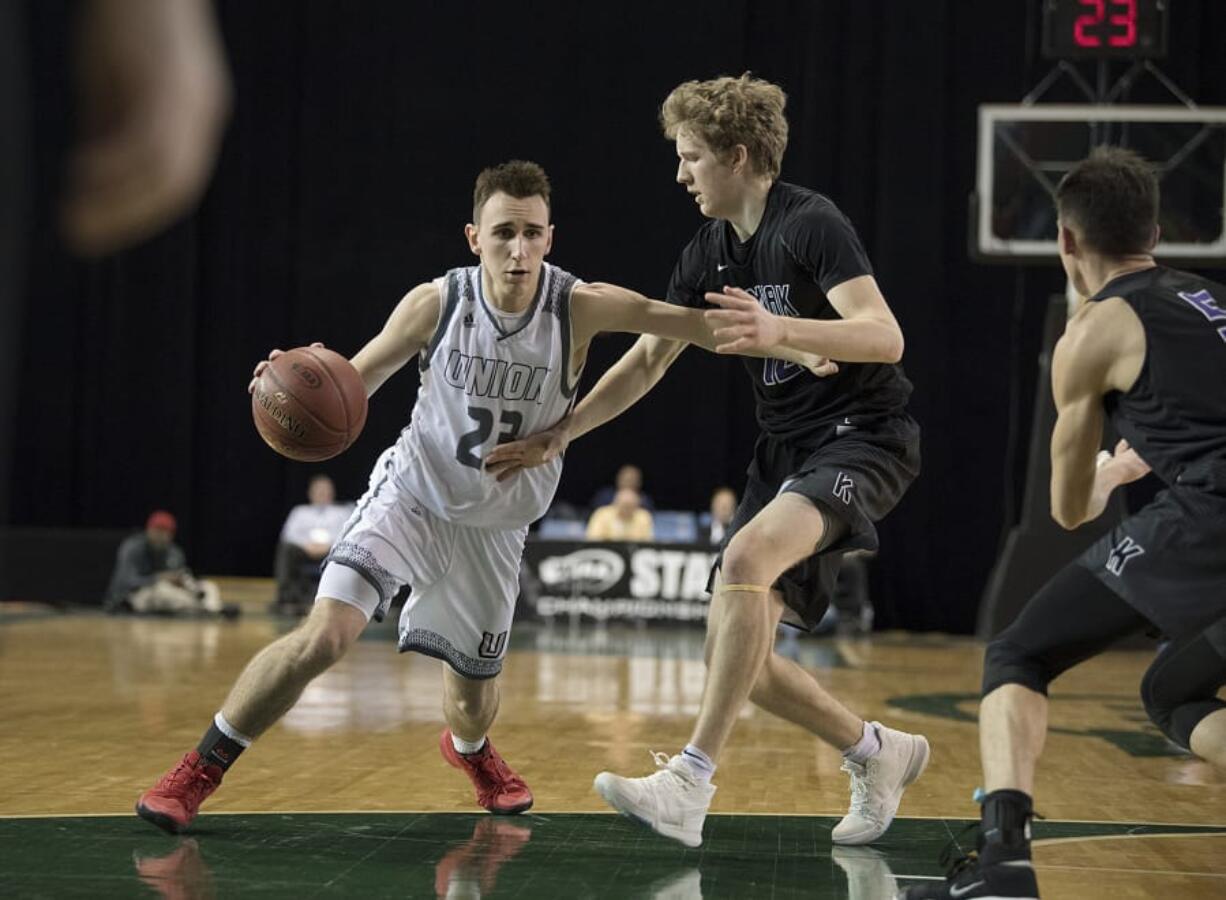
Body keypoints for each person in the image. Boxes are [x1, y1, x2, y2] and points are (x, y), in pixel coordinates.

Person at [134, 159, 830, 835]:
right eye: (503, 232)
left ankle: (470, 751)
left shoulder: (579, 307)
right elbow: (355, 381)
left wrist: (793, 343)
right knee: (325, 636)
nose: (519, 249)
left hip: (498, 528)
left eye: (532, 232)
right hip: (413, 497)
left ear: (550, 237)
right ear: (475, 238)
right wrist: (290, 380)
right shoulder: (436, 303)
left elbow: (682, 323)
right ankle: (199, 769)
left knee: (470, 704)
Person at [487, 74, 927, 849]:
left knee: (747, 558)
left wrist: (787, 334)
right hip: (787, 449)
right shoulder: (708, 251)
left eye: (691, 157)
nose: (680, 174)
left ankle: (690, 781)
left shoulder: (810, 223)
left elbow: (884, 336)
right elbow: (649, 359)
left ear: (739, 155)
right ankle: (876, 752)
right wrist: (565, 431)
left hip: (864, 432)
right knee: (744, 659)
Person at [901, 147, 1226, 899]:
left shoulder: (1093, 331)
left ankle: (1005, 867)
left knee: (1018, 654)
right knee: (1176, 693)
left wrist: (1115, 471)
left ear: (1067, 242)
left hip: (1209, 518)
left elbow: (1070, 509)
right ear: (1156, 230)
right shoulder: (1213, 299)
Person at [105, 510, 231, 617]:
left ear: (171, 535)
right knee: (162, 590)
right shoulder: (133, 547)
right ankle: (209, 610)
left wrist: (181, 583)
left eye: (165, 531)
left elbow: (183, 578)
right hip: (133, 598)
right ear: (148, 529)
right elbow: (126, 582)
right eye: (157, 530)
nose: (160, 535)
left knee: (208, 586)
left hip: (172, 597)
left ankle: (211, 609)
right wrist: (159, 578)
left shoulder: (175, 552)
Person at [273, 474, 352, 613]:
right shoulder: (300, 511)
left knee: (347, 551)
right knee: (286, 549)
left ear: (332, 493)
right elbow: (289, 534)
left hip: (332, 551)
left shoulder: (342, 512)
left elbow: (347, 535)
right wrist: (306, 545)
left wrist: (328, 546)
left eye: (325, 490)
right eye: (318, 491)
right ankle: (286, 597)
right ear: (310, 493)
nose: (322, 494)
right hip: (305, 549)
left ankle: (341, 599)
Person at [586, 487, 654, 541]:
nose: (626, 509)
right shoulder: (602, 514)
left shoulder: (644, 516)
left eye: (630, 506)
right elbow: (593, 538)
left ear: (636, 506)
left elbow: (648, 541)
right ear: (615, 503)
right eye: (624, 506)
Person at [589, 463, 655, 511]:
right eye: (625, 479)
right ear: (618, 479)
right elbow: (594, 514)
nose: (629, 482)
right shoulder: (605, 496)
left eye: (633, 479)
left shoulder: (645, 500)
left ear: (639, 482)